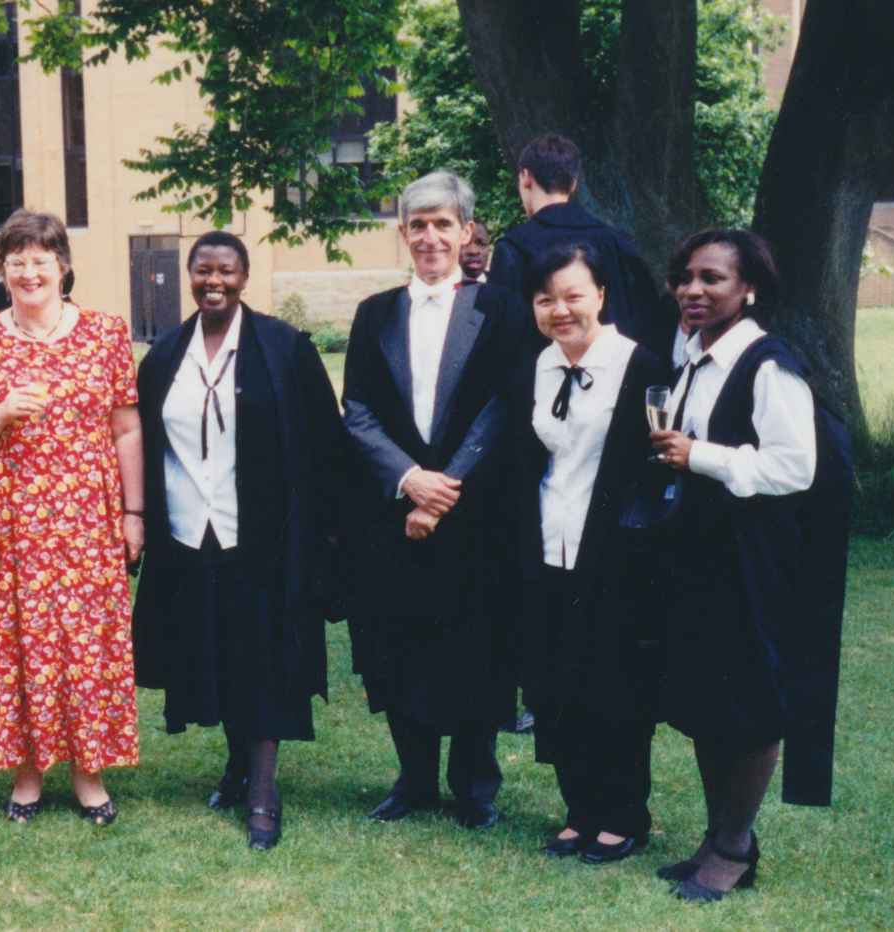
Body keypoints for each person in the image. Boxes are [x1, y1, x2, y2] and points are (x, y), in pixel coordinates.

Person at [648, 229, 850, 901]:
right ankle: (718, 835)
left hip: (753, 558)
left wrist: (698, 456)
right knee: (710, 697)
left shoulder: (769, 365)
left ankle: (735, 846)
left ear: (749, 289)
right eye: (685, 278)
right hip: (702, 552)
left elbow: (796, 467)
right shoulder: (692, 355)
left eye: (712, 279)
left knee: (751, 704)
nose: (694, 290)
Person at [133, 231, 348, 850]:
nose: (213, 281)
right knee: (214, 650)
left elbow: (325, 443)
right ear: (189, 275)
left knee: (263, 656)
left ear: (245, 277)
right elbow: (148, 439)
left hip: (263, 534)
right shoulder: (166, 353)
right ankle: (236, 766)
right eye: (202, 271)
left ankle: (262, 790)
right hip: (187, 533)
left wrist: (325, 532)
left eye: (225, 270)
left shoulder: (283, 347)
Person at [341, 170, 534, 828]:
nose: (430, 237)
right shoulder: (374, 315)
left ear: (467, 231)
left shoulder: (503, 308)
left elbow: (507, 405)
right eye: (418, 225)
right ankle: (414, 778)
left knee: (478, 644)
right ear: (402, 234)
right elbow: (358, 411)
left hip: (476, 512)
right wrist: (408, 479)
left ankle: (474, 784)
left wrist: (444, 485)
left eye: (443, 224)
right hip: (394, 515)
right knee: (400, 644)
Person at [0, 210, 144, 826]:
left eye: (40, 260)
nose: (30, 272)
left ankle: (89, 772)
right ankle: (26, 773)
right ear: (1, 271)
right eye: (17, 261)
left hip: (85, 517)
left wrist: (134, 512)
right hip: (3, 519)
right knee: (13, 641)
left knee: (84, 642)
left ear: (63, 267)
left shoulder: (106, 334)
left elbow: (127, 427)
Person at [506, 242, 668, 864]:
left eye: (574, 295)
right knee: (555, 683)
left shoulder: (641, 366)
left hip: (617, 556)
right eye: (546, 299)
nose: (560, 309)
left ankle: (624, 812)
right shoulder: (534, 370)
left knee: (615, 686)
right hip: (548, 550)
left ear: (601, 295)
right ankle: (578, 810)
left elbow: (655, 470)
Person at [485, 134, 666, 349]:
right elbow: (646, 323)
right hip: (617, 373)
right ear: (573, 183)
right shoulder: (617, 241)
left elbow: (502, 337)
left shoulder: (513, 248)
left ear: (525, 177)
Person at [459, 221, 492, 285]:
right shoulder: (440, 289)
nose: (473, 251)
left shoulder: (503, 285)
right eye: (465, 244)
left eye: (481, 243)